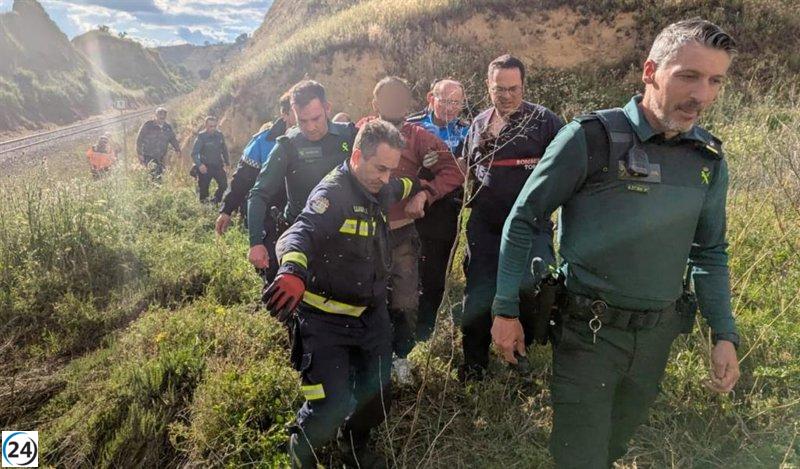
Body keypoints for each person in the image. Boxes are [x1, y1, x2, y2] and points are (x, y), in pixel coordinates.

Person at [491, 19, 741, 467]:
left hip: (656, 338)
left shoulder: (707, 160)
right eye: (688, 75)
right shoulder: (590, 138)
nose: (701, 95)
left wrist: (724, 334)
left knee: (615, 446)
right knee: (579, 455)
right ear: (650, 71)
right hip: (589, 333)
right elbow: (525, 218)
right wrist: (506, 308)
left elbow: (709, 252)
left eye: (715, 80)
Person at [265, 120, 419, 468]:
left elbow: (403, 185)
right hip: (325, 321)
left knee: (376, 398)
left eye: (391, 169)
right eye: (380, 168)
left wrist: (423, 188)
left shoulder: (380, 185)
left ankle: (354, 444)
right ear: (357, 156)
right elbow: (300, 233)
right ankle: (301, 447)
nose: (385, 177)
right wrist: (291, 270)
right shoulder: (333, 194)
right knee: (329, 403)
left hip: (371, 316)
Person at [460, 54, 564, 381]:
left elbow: (569, 166)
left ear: (523, 85)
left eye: (513, 89)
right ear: (487, 87)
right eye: (498, 89)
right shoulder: (478, 123)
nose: (506, 96)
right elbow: (468, 169)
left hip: (530, 226)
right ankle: (474, 363)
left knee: (530, 290)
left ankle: (519, 358)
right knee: (478, 291)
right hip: (485, 226)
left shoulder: (545, 122)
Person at [357, 76, 463, 384]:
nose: (394, 104)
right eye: (386, 98)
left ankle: (400, 357)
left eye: (399, 97)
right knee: (365, 296)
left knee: (404, 300)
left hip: (402, 234)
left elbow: (453, 170)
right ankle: (368, 360)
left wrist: (426, 193)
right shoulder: (360, 133)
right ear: (375, 104)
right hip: (363, 234)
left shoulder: (418, 136)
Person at [247, 80, 356, 283]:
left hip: (347, 235)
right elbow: (259, 193)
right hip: (302, 234)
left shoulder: (349, 136)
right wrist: (255, 242)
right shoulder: (288, 146)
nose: (311, 127)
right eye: (302, 121)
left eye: (316, 119)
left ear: (327, 108)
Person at [406, 78, 470, 342]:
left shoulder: (469, 130)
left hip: (445, 209)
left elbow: (467, 170)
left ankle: (424, 332)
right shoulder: (412, 125)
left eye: (456, 102)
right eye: (445, 101)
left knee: (435, 273)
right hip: (409, 204)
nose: (450, 108)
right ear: (431, 98)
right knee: (405, 269)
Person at [216, 91, 295, 235]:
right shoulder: (263, 142)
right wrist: (227, 210)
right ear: (284, 114)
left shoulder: (322, 140)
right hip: (271, 217)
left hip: (307, 220)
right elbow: (242, 178)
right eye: (298, 110)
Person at [190, 116, 229, 203]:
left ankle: (215, 201)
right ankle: (204, 208)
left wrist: (227, 163)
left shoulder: (219, 135)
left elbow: (224, 149)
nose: (213, 128)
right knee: (204, 190)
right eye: (211, 126)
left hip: (218, 165)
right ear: (206, 126)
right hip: (205, 167)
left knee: (224, 185)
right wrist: (199, 165)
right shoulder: (201, 136)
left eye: (215, 126)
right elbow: (194, 153)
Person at [135, 107, 180, 179]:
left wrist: (177, 149)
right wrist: (139, 154)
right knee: (152, 175)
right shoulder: (148, 125)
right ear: (156, 116)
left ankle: (158, 189)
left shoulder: (167, 127)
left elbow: (173, 139)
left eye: (163, 118)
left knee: (160, 176)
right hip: (149, 156)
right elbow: (139, 139)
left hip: (161, 157)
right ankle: (153, 188)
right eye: (160, 117)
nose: (162, 119)